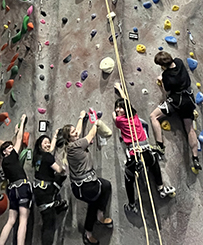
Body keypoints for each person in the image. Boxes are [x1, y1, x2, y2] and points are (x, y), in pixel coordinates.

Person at [113, 83, 175, 213]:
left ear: (125, 110)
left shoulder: (119, 121)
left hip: (135, 153)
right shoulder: (134, 117)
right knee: (154, 164)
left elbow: (115, 116)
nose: (118, 110)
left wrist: (115, 112)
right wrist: (120, 89)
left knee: (128, 177)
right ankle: (160, 188)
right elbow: (127, 102)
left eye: (120, 108)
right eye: (117, 108)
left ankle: (131, 204)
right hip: (146, 150)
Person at [61, 111, 113, 245]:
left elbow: (78, 130)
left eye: (74, 131)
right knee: (97, 198)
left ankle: (97, 219)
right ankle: (92, 227)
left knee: (105, 187)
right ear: (68, 138)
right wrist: (96, 123)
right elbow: (90, 136)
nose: (76, 133)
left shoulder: (71, 146)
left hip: (80, 187)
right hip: (87, 186)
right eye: (73, 133)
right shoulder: (76, 145)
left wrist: (81, 117)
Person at [149, 51, 201, 170]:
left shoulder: (167, 75)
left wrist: (161, 80)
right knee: (190, 128)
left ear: (162, 65)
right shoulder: (179, 62)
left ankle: (160, 146)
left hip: (176, 101)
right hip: (189, 99)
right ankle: (195, 158)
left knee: (154, 116)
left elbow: (166, 91)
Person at [0, 114, 32, 245]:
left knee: (11, 220)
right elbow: (18, 140)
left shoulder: (4, 163)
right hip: (22, 188)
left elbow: (13, 143)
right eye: (9, 148)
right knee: (23, 220)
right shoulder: (11, 156)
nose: (12, 149)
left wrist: (15, 133)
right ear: (6, 152)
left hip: (12, 190)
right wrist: (22, 121)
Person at [32, 132, 68, 245]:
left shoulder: (38, 156)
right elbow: (59, 170)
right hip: (45, 193)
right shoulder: (47, 157)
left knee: (46, 216)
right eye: (45, 143)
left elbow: (50, 149)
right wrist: (63, 168)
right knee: (49, 224)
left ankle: (57, 205)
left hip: (38, 191)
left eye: (48, 142)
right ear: (40, 145)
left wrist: (55, 136)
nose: (48, 145)